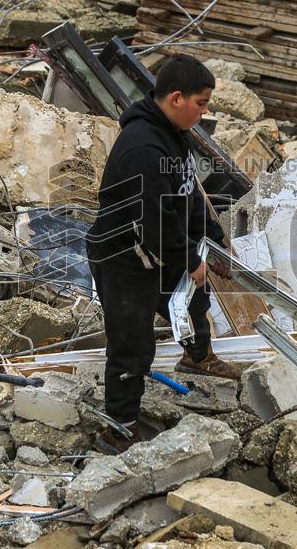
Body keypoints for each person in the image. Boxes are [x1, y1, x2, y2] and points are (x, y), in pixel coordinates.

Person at [85, 54, 237, 454]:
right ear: (176, 98)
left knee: (193, 297)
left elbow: (187, 195)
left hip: (155, 248)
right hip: (123, 258)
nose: (203, 113)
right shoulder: (143, 148)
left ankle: (198, 357)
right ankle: (119, 429)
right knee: (132, 344)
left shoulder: (174, 134)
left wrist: (212, 240)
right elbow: (155, 221)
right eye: (201, 103)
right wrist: (190, 259)